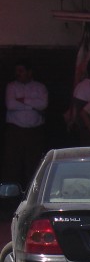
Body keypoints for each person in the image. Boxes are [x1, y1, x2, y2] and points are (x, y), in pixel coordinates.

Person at [3, 60, 48, 189]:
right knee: (13, 164)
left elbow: (43, 104)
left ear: (29, 72)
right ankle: (10, 194)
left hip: (35, 132)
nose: (18, 73)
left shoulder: (40, 87)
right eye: (16, 71)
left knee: (33, 164)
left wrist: (23, 101)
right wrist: (32, 107)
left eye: (21, 71)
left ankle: (32, 193)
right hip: (15, 131)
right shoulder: (11, 86)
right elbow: (10, 105)